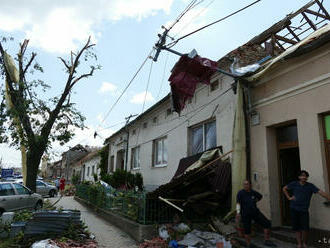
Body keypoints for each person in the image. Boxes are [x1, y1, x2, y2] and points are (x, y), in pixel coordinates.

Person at [283, 170, 330, 248]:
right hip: (294, 208)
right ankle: (299, 244)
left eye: (305, 176)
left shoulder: (310, 186)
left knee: (305, 228)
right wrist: (289, 198)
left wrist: (328, 197)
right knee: (297, 227)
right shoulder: (294, 184)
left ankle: (304, 243)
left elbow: (320, 192)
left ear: (307, 177)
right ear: (299, 177)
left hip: (304, 210)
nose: (303, 177)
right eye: (302, 175)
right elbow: (284, 188)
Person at [236, 180, 277, 248]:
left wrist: (255, 200)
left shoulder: (253, 192)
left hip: (255, 212)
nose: (246, 185)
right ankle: (248, 244)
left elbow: (260, 196)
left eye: (247, 184)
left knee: (267, 223)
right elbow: (238, 203)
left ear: (250, 185)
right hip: (245, 214)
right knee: (247, 230)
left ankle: (266, 240)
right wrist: (238, 213)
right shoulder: (240, 193)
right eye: (244, 184)